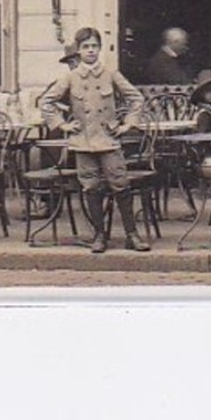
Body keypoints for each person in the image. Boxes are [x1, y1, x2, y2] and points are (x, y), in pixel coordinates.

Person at [38, 27, 151, 253]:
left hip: (109, 140)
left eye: (94, 46)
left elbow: (136, 98)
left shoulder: (111, 74)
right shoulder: (70, 77)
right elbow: (45, 102)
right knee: (91, 187)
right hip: (84, 142)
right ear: (78, 51)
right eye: (85, 47)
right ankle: (99, 235)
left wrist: (128, 124)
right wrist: (63, 125)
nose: (90, 51)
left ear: (100, 49)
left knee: (120, 184)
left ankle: (132, 234)